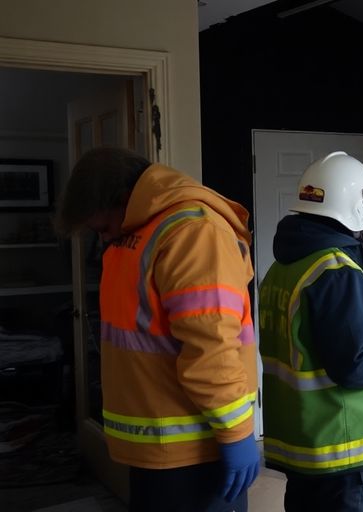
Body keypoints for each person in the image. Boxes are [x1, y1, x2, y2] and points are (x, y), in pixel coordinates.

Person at [54, 147, 259, 512]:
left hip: (193, 450)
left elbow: (211, 347)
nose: (102, 239)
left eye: (102, 228)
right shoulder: (142, 231)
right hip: (168, 450)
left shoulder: (193, 233)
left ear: (121, 198)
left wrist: (236, 434)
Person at [257, 151, 363, 511]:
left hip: (306, 449)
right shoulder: (335, 272)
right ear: (356, 205)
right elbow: (357, 365)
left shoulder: (284, 268)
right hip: (345, 453)